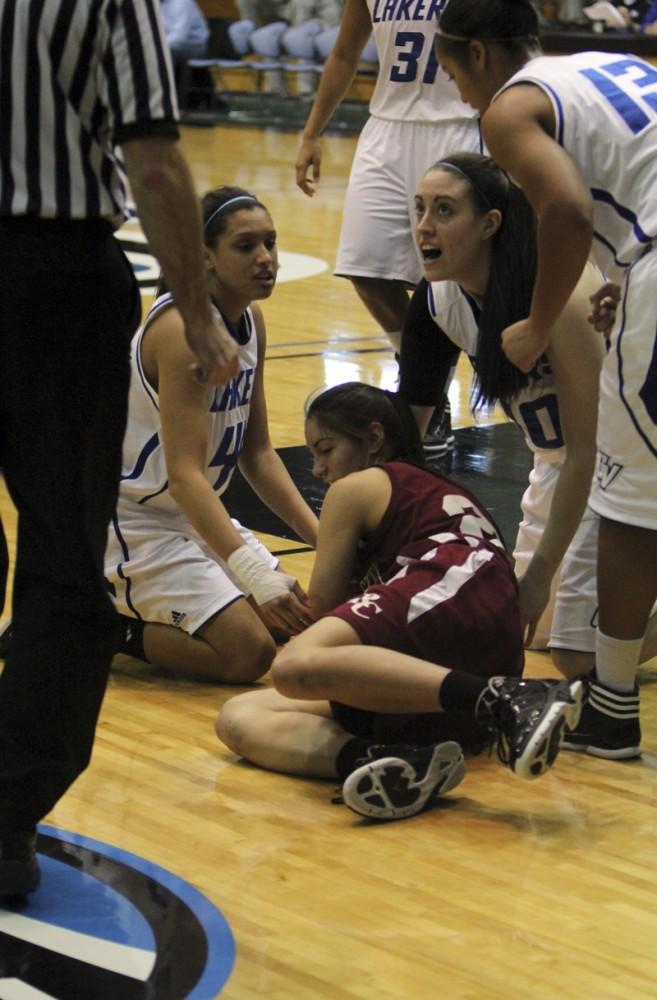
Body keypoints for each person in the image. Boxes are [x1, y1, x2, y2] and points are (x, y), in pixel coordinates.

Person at [0, 0, 239, 900]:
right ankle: (6, 817)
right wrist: (199, 310)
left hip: (49, 281)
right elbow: (152, 155)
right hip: (53, 279)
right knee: (66, 563)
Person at [435, 0, 657, 760]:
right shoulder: (608, 67)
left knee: (632, 497)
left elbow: (561, 209)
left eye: (453, 73)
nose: (462, 97)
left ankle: (611, 708)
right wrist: (623, 271)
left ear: (474, 54)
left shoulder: (509, 107)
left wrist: (535, 322)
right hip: (643, 252)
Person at [216, 382, 584, 822]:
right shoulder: (425, 494)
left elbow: (320, 613)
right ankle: (392, 759)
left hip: (451, 582)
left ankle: (507, 698)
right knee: (239, 717)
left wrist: (264, 591)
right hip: (468, 637)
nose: (316, 469)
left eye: (326, 450)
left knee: (294, 667)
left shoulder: (359, 487)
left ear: (373, 440)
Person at [400, 152, 613, 681]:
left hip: (624, 465)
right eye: (420, 208)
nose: (424, 226)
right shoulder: (437, 301)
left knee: (576, 655)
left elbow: (591, 451)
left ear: (490, 223)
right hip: (559, 465)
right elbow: (408, 436)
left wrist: (541, 574)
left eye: (444, 211)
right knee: (531, 632)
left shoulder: (557, 291)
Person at [106, 187, 319, 683]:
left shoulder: (251, 320)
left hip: (192, 518)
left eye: (270, 242)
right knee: (247, 653)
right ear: (205, 256)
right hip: (131, 523)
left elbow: (258, 451)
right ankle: (95, 624)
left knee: (295, 620)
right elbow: (183, 476)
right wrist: (250, 570)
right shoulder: (183, 333)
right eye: (246, 246)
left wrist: (322, 540)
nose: (266, 259)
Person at [294, 0, 482, 456]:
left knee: (449, 277)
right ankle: (425, 384)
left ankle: (435, 388)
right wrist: (312, 132)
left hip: (457, 124)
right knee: (365, 266)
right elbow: (344, 53)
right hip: (386, 127)